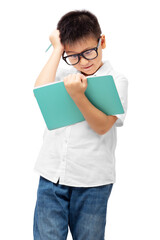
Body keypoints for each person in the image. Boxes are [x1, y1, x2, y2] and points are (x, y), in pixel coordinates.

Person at [33, 10, 128, 240]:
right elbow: (40, 92)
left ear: (101, 42)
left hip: (92, 182)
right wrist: (57, 48)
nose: (83, 61)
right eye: (73, 55)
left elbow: (103, 126)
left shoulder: (116, 80)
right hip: (52, 176)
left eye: (88, 52)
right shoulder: (64, 74)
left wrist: (78, 96)